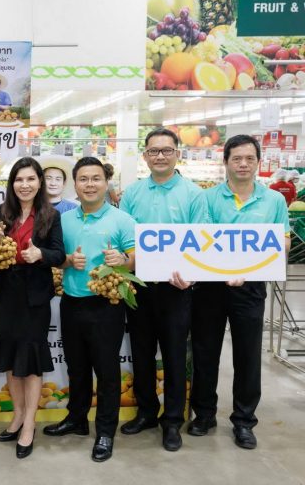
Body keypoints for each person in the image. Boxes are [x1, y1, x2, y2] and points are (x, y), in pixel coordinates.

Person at [189, 135, 291, 450]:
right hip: (210, 287)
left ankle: (244, 421)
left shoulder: (273, 200)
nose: (243, 164)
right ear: (226, 162)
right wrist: (224, 270)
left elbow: (283, 242)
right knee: (205, 352)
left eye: (249, 158)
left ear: (258, 162)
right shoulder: (207, 198)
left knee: (248, 355)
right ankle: (204, 414)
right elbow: (202, 240)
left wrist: (247, 269)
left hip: (251, 286)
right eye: (237, 158)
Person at [118, 128, 207, 452]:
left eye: (166, 150)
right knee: (141, 353)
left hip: (176, 289)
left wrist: (191, 276)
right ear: (145, 156)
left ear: (177, 154)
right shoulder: (132, 194)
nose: (160, 156)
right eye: (153, 151)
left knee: (173, 356)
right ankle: (146, 412)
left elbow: (200, 241)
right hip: (139, 287)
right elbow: (124, 238)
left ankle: (172, 420)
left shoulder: (193, 194)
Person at [43, 156, 136, 463]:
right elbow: (57, 258)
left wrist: (122, 261)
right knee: (77, 367)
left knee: (107, 371)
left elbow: (136, 257)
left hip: (106, 304)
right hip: (71, 301)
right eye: (83, 179)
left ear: (106, 182)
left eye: (96, 178)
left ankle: (106, 431)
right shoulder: (64, 219)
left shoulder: (122, 220)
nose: (90, 184)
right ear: (75, 184)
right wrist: (68, 261)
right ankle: (77, 419)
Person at [0, 157, 65, 459]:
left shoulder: (51, 215)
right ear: (12, 184)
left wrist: (40, 254)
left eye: (31, 179)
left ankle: (30, 423)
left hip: (34, 296)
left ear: (39, 182)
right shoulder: (0, 212)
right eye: (19, 179)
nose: (25, 185)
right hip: (5, 293)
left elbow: (59, 254)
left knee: (31, 360)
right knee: (9, 355)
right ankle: (18, 414)